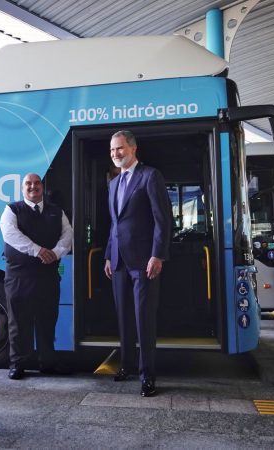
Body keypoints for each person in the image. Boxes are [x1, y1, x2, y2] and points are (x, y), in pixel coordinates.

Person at [103, 130, 171, 398]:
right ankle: (127, 366)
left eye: (119, 149)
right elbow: (114, 224)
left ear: (133, 149)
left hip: (144, 262)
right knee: (124, 319)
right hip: (119, 261)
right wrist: (109, 254)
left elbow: (162, 220)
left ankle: (147, 375)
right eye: (112, 150)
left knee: (144, 319)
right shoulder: (113, 184)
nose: (115, 154)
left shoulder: (150, 176)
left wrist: (157, 255)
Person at [0, 173, 73, 380]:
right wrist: (39, 251)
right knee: (18, 322)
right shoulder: (11, 210)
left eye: (37, 183)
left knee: (47, 320)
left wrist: (56, 253)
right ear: (22, 189)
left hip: (48, 275)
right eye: (28, 184)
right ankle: (18, 364)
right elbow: (10, 234)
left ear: (42, 187)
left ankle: (47, 362)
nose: (33, 187)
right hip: (19, 277)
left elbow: (67, 235)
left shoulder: (56, 211)